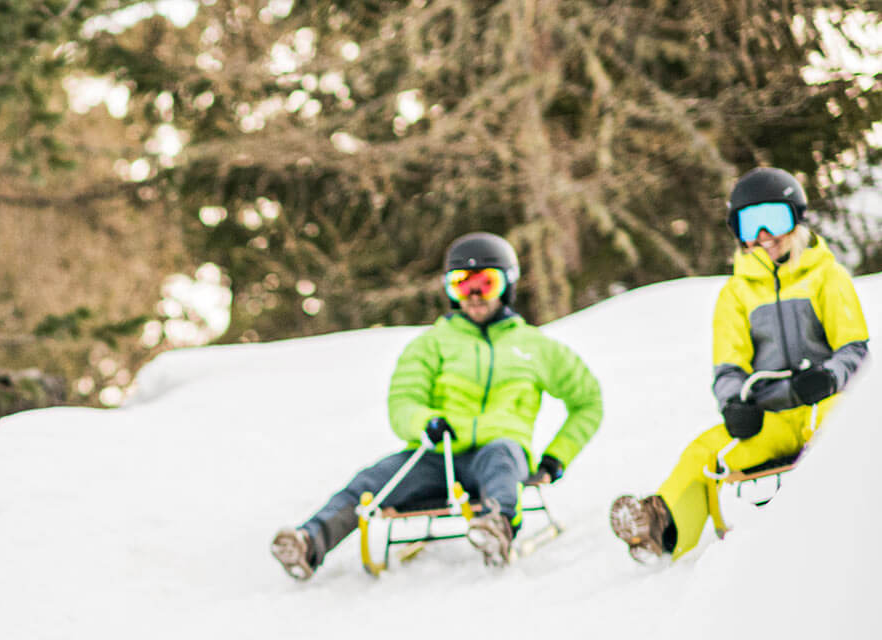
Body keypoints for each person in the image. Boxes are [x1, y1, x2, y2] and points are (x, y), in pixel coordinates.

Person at [270, 232, 605, 579]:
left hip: (500, 453)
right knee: (373, 480)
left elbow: (588, 401)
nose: (473, 296)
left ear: (507, 286)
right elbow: (403, 402)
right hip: (437, 454)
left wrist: (556, 457)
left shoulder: (537, 347)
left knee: (503, 455)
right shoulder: (431, 344)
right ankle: (308, 542)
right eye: (462, 285)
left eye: (485, 283)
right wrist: (425, 422)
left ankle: (497, 529)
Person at [610, 167, 869, 562]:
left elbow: (854, 348)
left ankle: (859, 503)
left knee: (845, 429)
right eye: (752, 223)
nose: (764, 234)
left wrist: (829, 378)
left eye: (774, 219)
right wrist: (734, 405)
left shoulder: (827, 277)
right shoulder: (735, 294)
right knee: (706, 450)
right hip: (773, 416)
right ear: (739, 232)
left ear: (795, 219)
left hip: (825, 403)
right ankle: (661, 525)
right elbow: (728, 368)